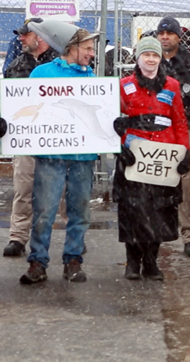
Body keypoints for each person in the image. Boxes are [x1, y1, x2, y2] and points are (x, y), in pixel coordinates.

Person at [19, 21, 99, 284]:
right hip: (50, 155)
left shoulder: (93, 79)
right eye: (87, 48)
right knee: (44, 210)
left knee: (80, 211)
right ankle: (37, 263)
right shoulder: (42, 74)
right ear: (72, 47)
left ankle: (73, 260)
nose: (92, 53)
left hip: (83, 157)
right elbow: (23, 106)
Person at [112, 37, 190, 281]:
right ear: (138, 58)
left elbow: (179, 121)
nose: (151, 59)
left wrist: (184, 152)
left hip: (163, 156)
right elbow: (112, 120)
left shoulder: (172, 85)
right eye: (146, 55)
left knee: (160, 209)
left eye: (155, 55)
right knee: (133, 208)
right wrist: (119, 144)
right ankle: (133, 262)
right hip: (133, 154)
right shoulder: (124, 85)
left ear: (160, 58)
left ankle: (152, 261)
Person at [2, 17, 58, 257]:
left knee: (58, 191)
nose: (20, 38)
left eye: (25, 34)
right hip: (26, 138)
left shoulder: (59, 65)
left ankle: (70, 239)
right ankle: (18, 237)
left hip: (56, 139)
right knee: (23, 188)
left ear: (40, 37)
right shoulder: (16, 66)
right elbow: (7, 101)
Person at [157, 16, 190, 258]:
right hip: (157, 131)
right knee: (158, 182)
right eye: (161, 33)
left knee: (187, 183)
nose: (165, 37)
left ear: (179, 36)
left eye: (170, 33)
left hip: (185, 128)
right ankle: (157, 233)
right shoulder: (150, 61)